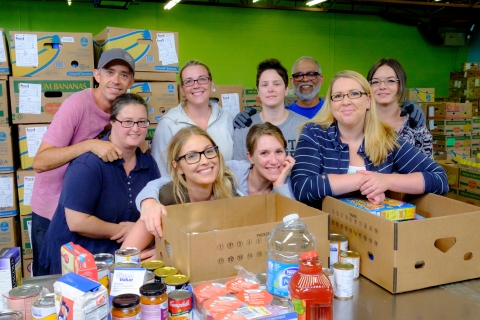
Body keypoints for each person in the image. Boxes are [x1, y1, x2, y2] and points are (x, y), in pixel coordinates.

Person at [30, 48, 136, 276]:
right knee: (49, 278)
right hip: (51, 209)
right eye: (110, 72)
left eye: (124, 75)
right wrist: (88, 144)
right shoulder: (76, 106)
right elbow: (39, 162)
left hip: (87, 211)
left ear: (131, 81)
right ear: (97, 75)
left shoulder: (121, 111)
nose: (116, 80)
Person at [39, 94, 160, 275]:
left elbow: (155, 210)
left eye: (142, 122)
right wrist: (126, 229)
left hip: (117, 256)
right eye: (127, 121)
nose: (135, 129)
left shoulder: (148, 163)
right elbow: (77, 222)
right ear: (112, 122)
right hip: (75, 259)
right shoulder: (88, 164)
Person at [291, 70, 448, 206]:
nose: (346, 101)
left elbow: (439, 179)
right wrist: (367, 181)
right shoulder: (314, 133)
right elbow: (302, 187)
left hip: (373, 232)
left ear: (368, 101)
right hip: (326, 233)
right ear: (331, 104)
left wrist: (386, 181)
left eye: (354, 94)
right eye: (338, 96)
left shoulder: (387, 139)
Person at [133, 122, 296, 241]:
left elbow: (293, 232)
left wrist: (279, 185)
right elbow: (167, 181)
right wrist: (148, 202)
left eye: (279, 152)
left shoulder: (226, 193)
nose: (273, 160)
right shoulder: (231, 172)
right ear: (250, 156)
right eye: (264, 153)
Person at [122, 126, 239, 254]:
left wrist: (174, 253)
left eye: (209, 151)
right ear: (177, 167)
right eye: (192, 156)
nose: (205, 161)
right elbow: (125, 255)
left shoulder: (229, 191)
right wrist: (164, 256)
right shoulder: (165, 199)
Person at [233, 56, 425, 130]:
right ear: (291, 83)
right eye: (299, 75)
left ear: (322, 79)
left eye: (311, 74)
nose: (305, 79)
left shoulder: (339, 113)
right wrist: (247, 116)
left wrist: (408, 108)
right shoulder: (287, 117)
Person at [151, 60, 234, 176]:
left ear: (212, 84)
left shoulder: (227, 119)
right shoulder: (168, 124)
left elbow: (236, 167)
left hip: (224, 192)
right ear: (182, 89)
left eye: (202, 79)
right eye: (189, 81)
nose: (196, 85)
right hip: (182, 193)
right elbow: (161, 172)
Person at [233, 59, 307, 160]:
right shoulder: (243, 129)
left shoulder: (305, 127)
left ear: (286, 90)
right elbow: (239, 173)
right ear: (258, 91)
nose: (270, 89)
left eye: (276, 84)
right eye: (264, 85)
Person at [367, 58, 433, 158]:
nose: (382, 86)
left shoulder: (414, 125)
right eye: (375, 82)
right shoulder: (360, 124)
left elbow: (430, 170)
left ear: (401, 84)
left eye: (390, 81)